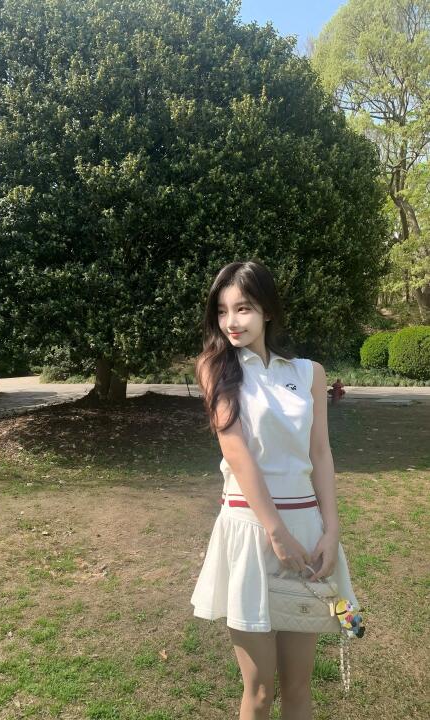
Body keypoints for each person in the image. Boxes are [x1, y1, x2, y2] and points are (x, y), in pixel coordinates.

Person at [190, 260, 359, 720]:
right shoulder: (214, 367)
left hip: (307, 530)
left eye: (243, 308)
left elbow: (320, 453)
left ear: (267, 310)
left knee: (299, 687)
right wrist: (275, 531)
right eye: (222, 311)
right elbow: (236, 452)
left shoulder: (309, 373)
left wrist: (331, 532)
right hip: (250, 530)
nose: (231, 322)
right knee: (260, 690)